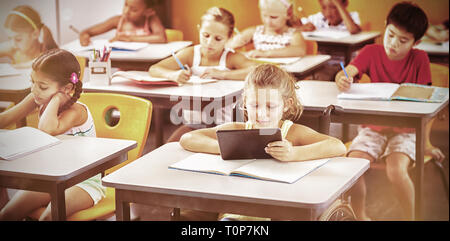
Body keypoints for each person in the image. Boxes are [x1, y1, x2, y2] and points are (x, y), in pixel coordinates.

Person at [180, 64, 346, 220]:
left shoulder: (293, 133)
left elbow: (337, 146)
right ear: (245, 103)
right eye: (254, 105)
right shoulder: (238, 129)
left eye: (270, 107)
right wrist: (226, 147)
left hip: (280, 211)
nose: (261, 114)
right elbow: (188, 138)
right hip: (237, 212)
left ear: (286, 105)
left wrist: (294, 153)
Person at [335, 2, 445, 220]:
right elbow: (349, 71)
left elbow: (427, 106)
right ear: (385, 26)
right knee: (352, 168)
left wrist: (426, 143)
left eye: (403, 40)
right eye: (390, 34)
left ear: (416, 42)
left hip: (408, 131)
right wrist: (344, 77)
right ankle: (361, 216)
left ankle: (410, 218)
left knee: (395, 170)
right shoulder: (371, 51)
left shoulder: (419, 59)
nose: (393, 43)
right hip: (373, 128)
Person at [0, 49, 104, 221]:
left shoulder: (76, 111)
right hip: (52, 178)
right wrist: (49, 94)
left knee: (49, 217)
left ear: (67, 88)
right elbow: (5, 119)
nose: (34, 90)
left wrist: (56, 99)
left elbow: (46, 128)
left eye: (42, 86)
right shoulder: (37, 96)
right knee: (7, 214)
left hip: (83, 182)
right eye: (32, 82)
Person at [149, 7, 257, 142]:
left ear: (229, 38)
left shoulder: (230, 58)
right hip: (193, 125)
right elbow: (155, 68)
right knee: (168, 149)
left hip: (222, 127)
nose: (210, 42)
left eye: (218, 38)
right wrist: (173, 75)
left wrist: (222, 74)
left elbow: (257, 70)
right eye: (206, 35)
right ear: (199, 29)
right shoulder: (191, 54)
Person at [300, 0, 361, 81]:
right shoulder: (319, 18)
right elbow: (294, 25)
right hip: (323, 64)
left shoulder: (351, 17)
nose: (328, 13)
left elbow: (353, 30)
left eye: (334, 7)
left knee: (319, 76)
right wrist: (302, 27)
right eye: (324, 7)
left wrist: (338, 4)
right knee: (312, 75)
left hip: (345, 66)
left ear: (345, 4)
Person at [226, 0, 307, 58]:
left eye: (274, 17)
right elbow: (228, 45)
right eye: (264, 16)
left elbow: (299, 50)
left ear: (288, 14)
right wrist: (235, 42)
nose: (268, 21)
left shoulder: (293, 34)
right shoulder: (256, 31)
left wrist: (266, 53)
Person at [79, 0, 166, 46]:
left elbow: (161, 38)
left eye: (134, 10)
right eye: (126, 5)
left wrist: (130, 39)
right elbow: (87, 32)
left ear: (148, 11)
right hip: (123, 69)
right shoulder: (118, 20)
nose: (126, 11)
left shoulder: (151, 20)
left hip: (145, 67)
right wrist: (84, 37)